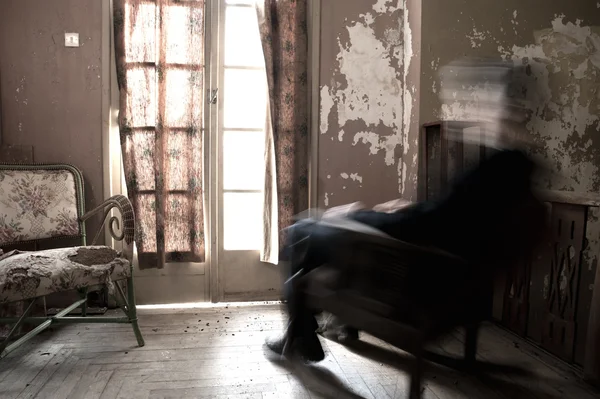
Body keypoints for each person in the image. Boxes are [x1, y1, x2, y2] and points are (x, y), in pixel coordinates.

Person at [265, 146, 547, 362]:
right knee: (320, 228)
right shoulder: (487, 224)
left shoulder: (469, 207)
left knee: (304, 228)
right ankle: (300, 328)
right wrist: (400, 209)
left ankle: (299, 329)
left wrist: (365, 215)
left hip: (400, 260)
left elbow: (428, 222)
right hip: (421, 253)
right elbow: (440, 217)